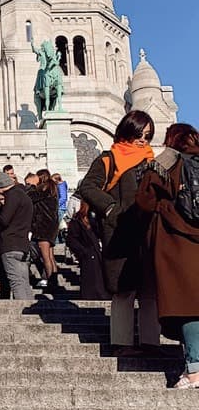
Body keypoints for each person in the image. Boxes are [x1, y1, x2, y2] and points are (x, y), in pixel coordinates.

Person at [79, 110, 158, 356]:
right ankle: (122, 342)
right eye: (139, 133)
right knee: (124, 290)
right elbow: (88, 186)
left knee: (149, 289)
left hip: (148, 231)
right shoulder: (108, 158)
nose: (143, 139)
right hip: (120, 232)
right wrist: (111, 208)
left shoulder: (152, 161)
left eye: (147, 134)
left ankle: (150, 343)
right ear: (127, 130)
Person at [135, 123, 199, 387]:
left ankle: (194, 370)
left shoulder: (168, 161)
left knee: (187, 307)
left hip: (176, 242)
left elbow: (144, 200)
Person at [0, 171, 34, 300]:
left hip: (10, 243)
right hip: (23, 244)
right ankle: (29, 308)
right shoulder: (25, 196)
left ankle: (22, 313)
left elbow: (4, 220)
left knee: (16, 282)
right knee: (24, 282)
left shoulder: (12, 195)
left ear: (0, 187)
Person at [66, 200, 107, 300]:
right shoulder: (78, 221)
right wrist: (84, 252)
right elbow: (72, 239)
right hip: (88, 254)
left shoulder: (93, 220)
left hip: (95, 253)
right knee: (91, 281)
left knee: (97, 279)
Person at [29, 169, 61, 291]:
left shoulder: (43, 188)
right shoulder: (52, 188)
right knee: (50, 256)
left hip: (43, 226)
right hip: (52, 225)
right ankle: (54, 280)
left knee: (45, 256)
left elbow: (31, 197)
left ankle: (51, 282)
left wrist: (31, 185)